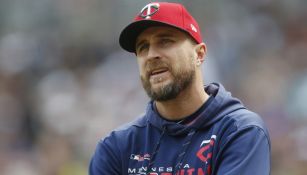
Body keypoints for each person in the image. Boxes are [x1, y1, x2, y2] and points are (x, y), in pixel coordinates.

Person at [89, 2, 270, 175]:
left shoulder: (239, 131)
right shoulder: (116, 146)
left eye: (165, 41)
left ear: (199, 54)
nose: (151, 55)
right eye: (143, 47)